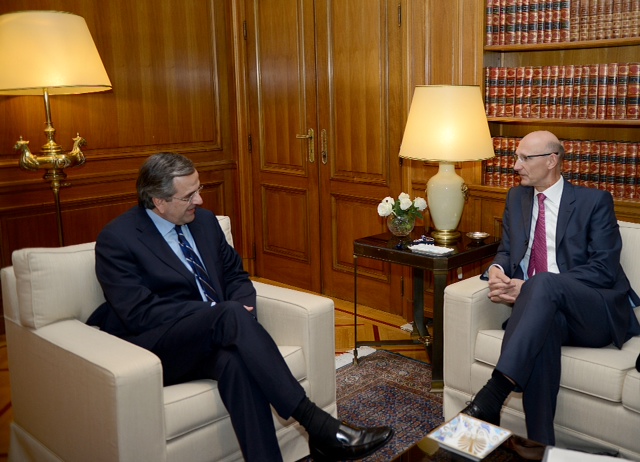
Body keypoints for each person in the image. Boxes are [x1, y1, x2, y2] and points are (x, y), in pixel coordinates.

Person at [86, 152, 393, 461]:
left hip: (214, 336)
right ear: (158, 201)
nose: (200, 200)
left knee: (234, 362)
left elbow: (235, 276)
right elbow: (139, 313)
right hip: (158, 346)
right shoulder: (119, 239)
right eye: (188, 196)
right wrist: (217, 314)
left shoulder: (205, 223)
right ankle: (318, 424)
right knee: (228, 312)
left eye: (199, 189)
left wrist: (240, 313)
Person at [461, 130, 640, 445]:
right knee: (546, 327)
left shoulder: (594, 202)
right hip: (546, 313)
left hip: (592, 313)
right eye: (516, 157)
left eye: (524, 158)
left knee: (542, 282)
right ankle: (540, 444)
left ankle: (493, 394)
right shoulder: (517, 198)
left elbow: (603, 269)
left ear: (551, 160)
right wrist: (497, 270)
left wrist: (531, 287)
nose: (515, 166)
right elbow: (506, 250)